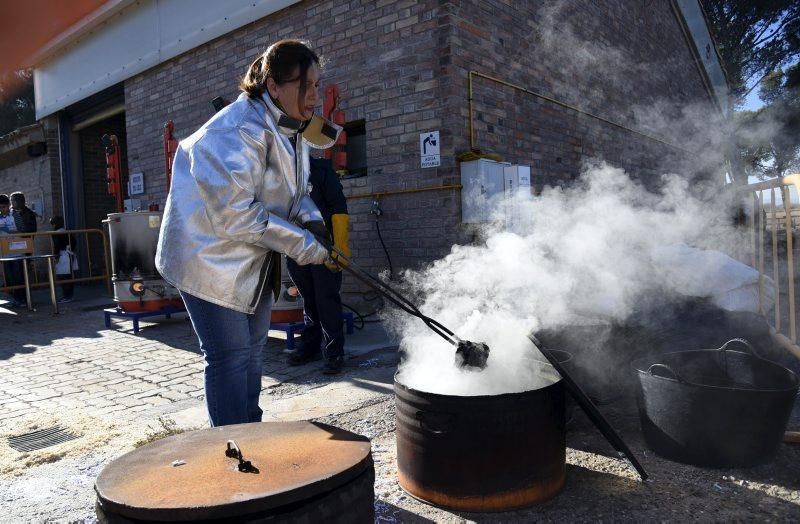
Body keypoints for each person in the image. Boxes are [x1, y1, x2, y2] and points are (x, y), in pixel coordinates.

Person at [155, 39, 342, 427]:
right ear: (274, 86)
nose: (313, 97)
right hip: (205, 256)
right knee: (229, 354)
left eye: (317, 86)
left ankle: (249, 431)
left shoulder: (291, 128)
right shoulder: (237, 130)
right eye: (304, 86)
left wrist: (314, 222)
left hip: (248, 255)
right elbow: (239, 216)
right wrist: (309, 247)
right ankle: (231, 446)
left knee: (254, 350)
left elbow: (296, 191)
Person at [287, 157, 350, 374]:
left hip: (324, 247)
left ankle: (334, 353)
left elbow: (338, 208)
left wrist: (339, 246)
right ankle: (311, 346)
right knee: (309, 299)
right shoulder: (280, 172)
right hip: (295, 247)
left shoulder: (321, 169)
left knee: (326, 299)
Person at [6, 192, 36, 305]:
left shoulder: (29, 213)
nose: (12, 202)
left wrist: (18, 232)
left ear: (21, 200)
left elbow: (32, 231)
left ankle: (23, 298)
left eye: (14, 199)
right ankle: (17, 298)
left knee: (21, 275)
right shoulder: (9, 213)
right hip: (9, 248)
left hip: (22, 248)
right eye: (11, 200)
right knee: (11, 275)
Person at [49, 216, 76, 302]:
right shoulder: (66, 231)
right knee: (68, 276)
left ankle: (66, 296)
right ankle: (69, 295)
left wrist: (56, 256)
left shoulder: (56, 233)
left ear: (54, 224)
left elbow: (56, 246)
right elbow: (74, 242)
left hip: (62, 255)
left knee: (63, 276)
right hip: (69, 254)